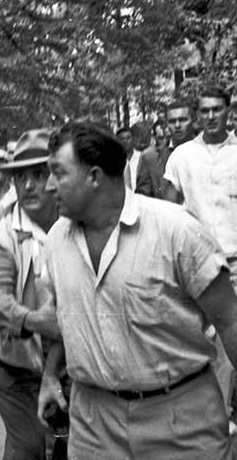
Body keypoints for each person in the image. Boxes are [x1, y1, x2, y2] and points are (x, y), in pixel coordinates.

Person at [38, 119, 237, 460]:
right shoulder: (57, 240)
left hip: (182, 423)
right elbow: (66, 318)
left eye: (58, 173)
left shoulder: (177, 231)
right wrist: (49, 377)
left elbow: (230, 320)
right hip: (93, 427)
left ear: (95, 176)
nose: (48, 186)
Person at [0, 130, 62, 460]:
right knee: (29, 442)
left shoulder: (75, 218)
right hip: (7, 358)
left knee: (68, 439)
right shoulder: (1, 232)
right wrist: (35, 320)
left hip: (62, 355)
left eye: (39, 175)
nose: (28, 186)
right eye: (20, 177)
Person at [163, 84, 237, 411]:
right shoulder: (182, 156)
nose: (210, 117)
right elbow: (168, 208)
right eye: (204, 111)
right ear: (197, 116)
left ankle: (220, 416)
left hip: (236, 260)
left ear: (228, 111)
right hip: (199, 265)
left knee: (229, 343)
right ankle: (209, 417)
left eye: (216, 110)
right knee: (202, 341)